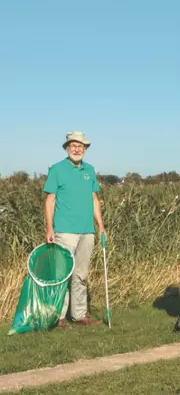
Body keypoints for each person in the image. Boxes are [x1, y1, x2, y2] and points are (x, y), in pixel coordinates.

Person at [43, 131, 107, 328]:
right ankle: (59, 317)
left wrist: (101, 226)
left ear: (85, 149)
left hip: (87, 230)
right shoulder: (57, 169)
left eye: (81, 146)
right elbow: (50, 200)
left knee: (81, 274)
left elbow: (93, 199)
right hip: (64, 231)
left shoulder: (90, 170)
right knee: (63, 274)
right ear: (67, 148)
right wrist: (49, 228)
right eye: (73, 145)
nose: (77, 149)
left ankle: (79, 314)